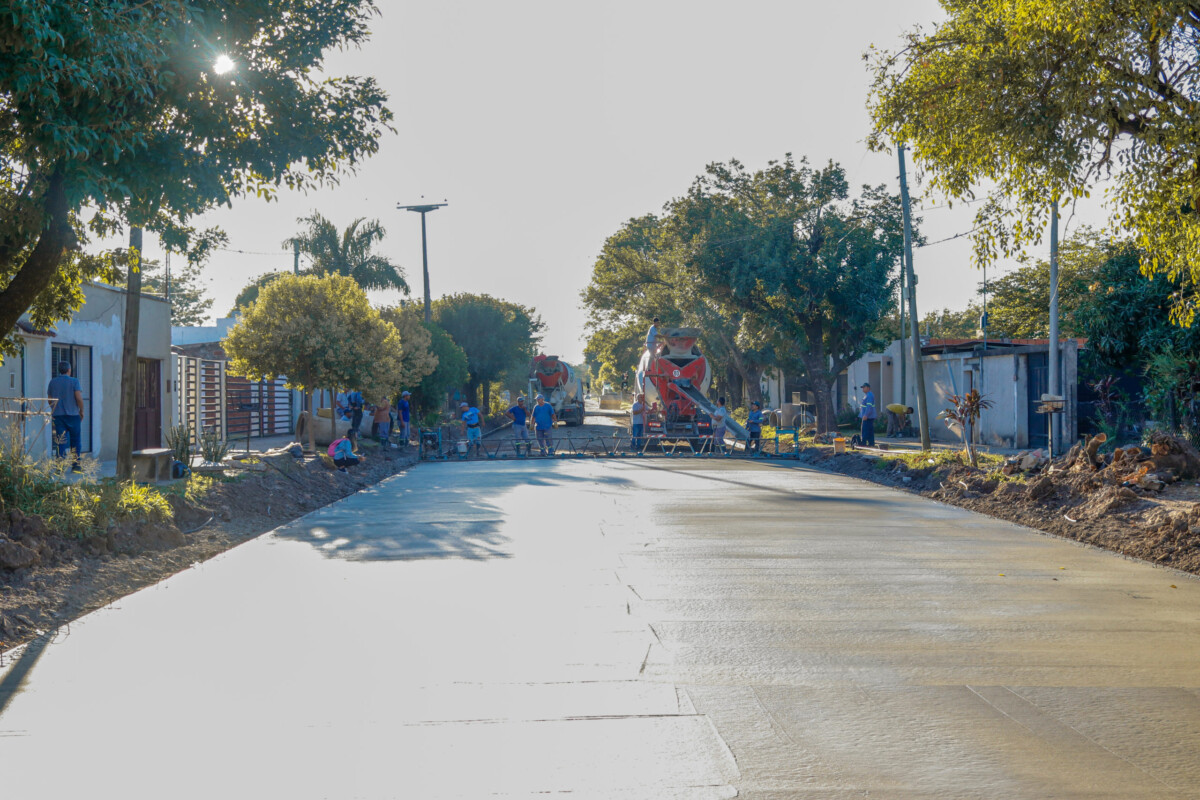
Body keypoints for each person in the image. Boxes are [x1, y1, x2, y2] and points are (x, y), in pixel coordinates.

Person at [47, 361, 84, 471]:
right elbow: (78, 398)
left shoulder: (52, 382)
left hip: (59, 416)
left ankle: (59, 467)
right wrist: (82, 410)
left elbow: (50, 400)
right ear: (69, 370)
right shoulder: (74, 381)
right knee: (75, 440)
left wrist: (54, 410)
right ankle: (76, 466)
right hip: (73, 415)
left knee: (60, 441)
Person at [859, 382, 877, 448]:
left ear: (868, 388)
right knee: (869, 430)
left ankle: (863, 443)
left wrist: (866, 415)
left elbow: (869, 406)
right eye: (862, 388)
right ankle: (871, 443)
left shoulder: (869, 395)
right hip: (868, 416)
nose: (863, 389)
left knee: (865, 430)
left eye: (864, 387)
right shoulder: (867, 395)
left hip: (867, 417)